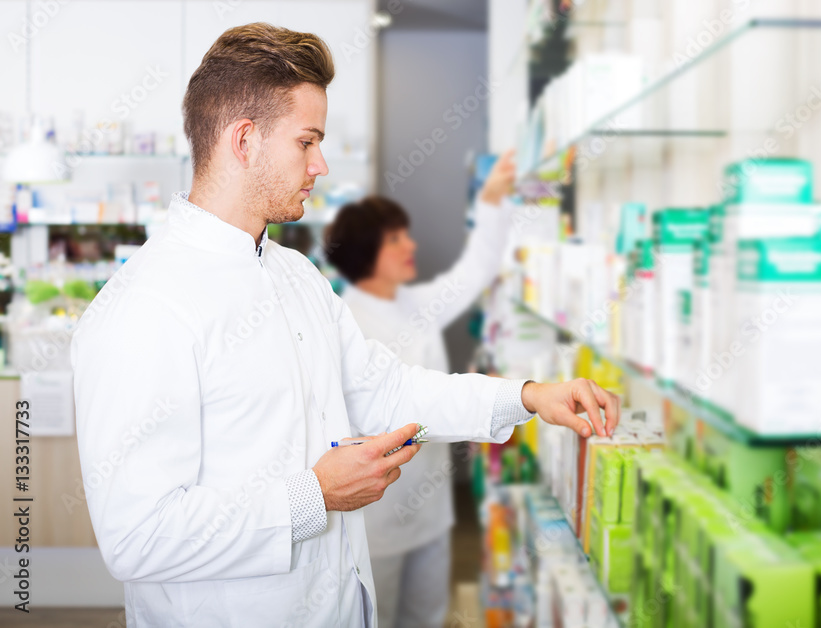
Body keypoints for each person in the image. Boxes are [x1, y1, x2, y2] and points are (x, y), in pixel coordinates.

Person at [70, 22, 619, 628]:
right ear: (244, 140)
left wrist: (528, 397)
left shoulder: (295, 275)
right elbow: (138, 536)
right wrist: (313, 495)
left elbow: (386, 390)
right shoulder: (145, 307)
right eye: (306, 142)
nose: (321, 164)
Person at [322, 152, 516, 627]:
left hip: (431, 509)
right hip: (379, 517)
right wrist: (476, 402)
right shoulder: (349, 323)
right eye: (395, 239)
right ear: (366, 252)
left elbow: (475, 271)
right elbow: (393, 410)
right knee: (379, 617)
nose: (411, 245)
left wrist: (491, 201)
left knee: (427, 616)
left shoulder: (415, 303)